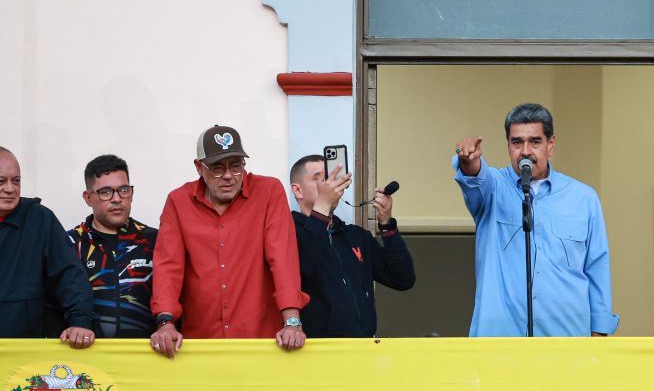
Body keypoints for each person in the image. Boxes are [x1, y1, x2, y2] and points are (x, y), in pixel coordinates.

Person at [454, 102, 619, 337]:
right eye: (517, 142)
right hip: (499, 344)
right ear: (508, 145)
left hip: (566, 343)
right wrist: (467, 162)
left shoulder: (583, 198)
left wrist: (599, 335)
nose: (525, 151)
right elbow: (474, 178)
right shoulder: (493, 189)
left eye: (535, 141)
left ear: (550, 145)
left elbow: (597, 269)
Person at [150, 125, 308, 358]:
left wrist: (292, 322)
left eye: (235, 166)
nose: (228, 176)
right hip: (200, 343)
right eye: (217, 168)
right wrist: (165, 322)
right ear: (199, 167)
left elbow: (282, 257)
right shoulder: (178, 201)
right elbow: (167, 265)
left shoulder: (268, 191)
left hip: (263, 342)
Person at [0, 145, 95, 346]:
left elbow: (69, 275)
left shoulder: (40, 219)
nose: (10, 189)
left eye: (16, 181)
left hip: (24, 349)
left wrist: (81, 321)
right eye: (0, 181)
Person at [288, 155, 414, 337]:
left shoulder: (356, 235)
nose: (328, 184)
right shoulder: (287, 232)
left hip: (362, 349)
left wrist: (387, 223)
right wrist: (322, 206)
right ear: (297, 190)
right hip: (315, 352)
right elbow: (308, 263)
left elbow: (403, 279)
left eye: (331, 177)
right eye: (319, 178)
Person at [46, 154, 158, 338]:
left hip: (146, 358)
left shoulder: (154, 240)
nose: (117, 199)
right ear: (88, 197)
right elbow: (51, 304)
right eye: (106, 192)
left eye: (123, 189)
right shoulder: (69, 244)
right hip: (85, 359)